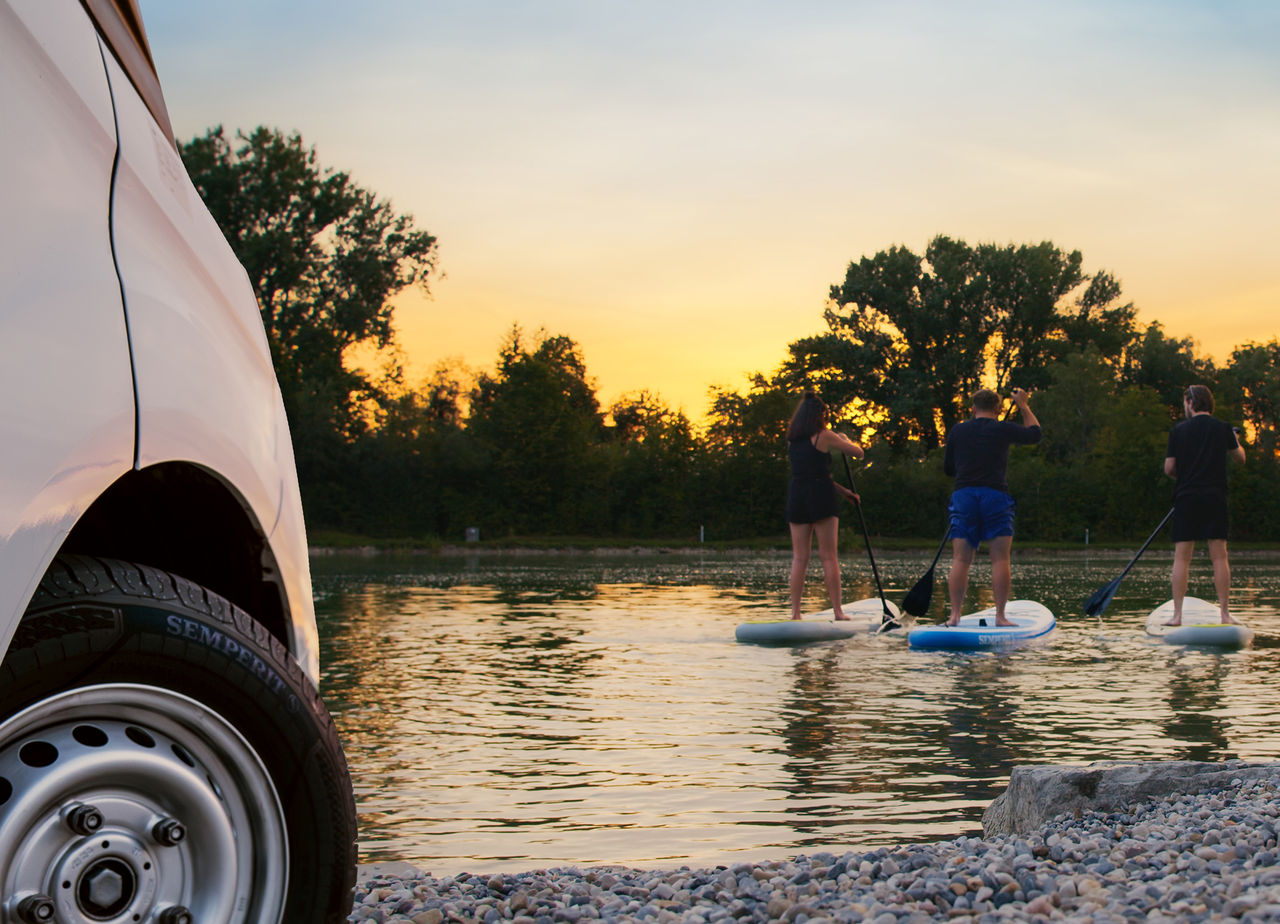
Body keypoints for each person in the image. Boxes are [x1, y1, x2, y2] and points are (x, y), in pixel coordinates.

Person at [942, 387, 1042, 626]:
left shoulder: (958, 430)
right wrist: (1024, 405)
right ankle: (1000, 617)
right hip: (995, 496)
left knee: (961, 559)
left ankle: (954, 616)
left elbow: (948, 469)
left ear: (973, 408)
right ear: (997, 409)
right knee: (1000, 559)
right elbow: (1035, 434)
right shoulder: (1002, 428)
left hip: (964, 496)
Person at [1163, 384, 1245, 625]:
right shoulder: (1222, 428)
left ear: (1191, 402)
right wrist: (1236, 441)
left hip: (1186, 496)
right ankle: (1225, 615)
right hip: (1215, 497)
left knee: (1181, 558)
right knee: (1219, 557)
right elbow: (1240, 458)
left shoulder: (1178, 431)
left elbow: (1169, 468)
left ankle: (1177, 616)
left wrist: (1186, 475)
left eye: (1184, 403)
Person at [785, 392, 864, 620]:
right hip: (821, 497)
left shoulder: (792, 441)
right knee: (829, 556)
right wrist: (845, 440)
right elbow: (858, 453)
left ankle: (795, 613)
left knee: (800, 557)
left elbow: (811, 473)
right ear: (819, 415)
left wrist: (845, 492)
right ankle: (838, 612)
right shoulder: (824, 436)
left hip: (798, 495)